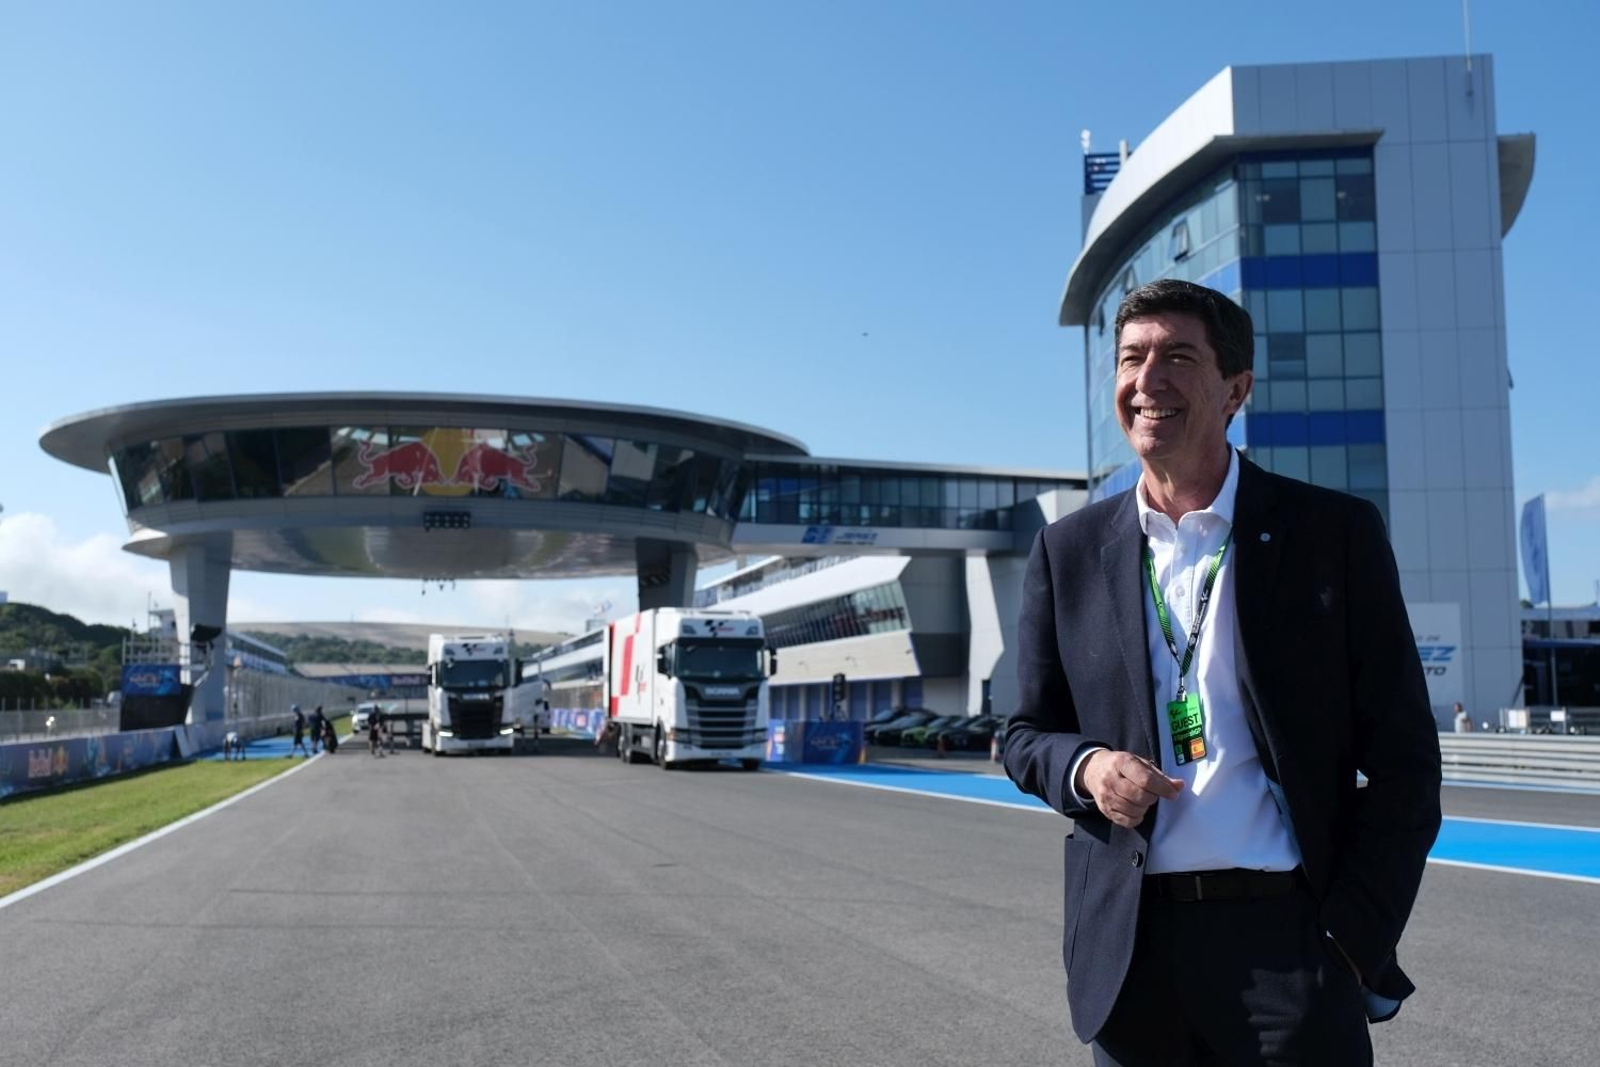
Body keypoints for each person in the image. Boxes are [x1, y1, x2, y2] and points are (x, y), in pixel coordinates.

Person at [1004, 279, 1442, 1066]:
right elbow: (1024, 731)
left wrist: (1351, 935)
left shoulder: (1331, 535)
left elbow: (1408, 761)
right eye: (1132, 358)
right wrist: (1088, 766)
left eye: (1178, 356)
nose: (1149, 380)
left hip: (1293, 947)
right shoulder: (1066, 552)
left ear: (1235, 387)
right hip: (1132, 956)